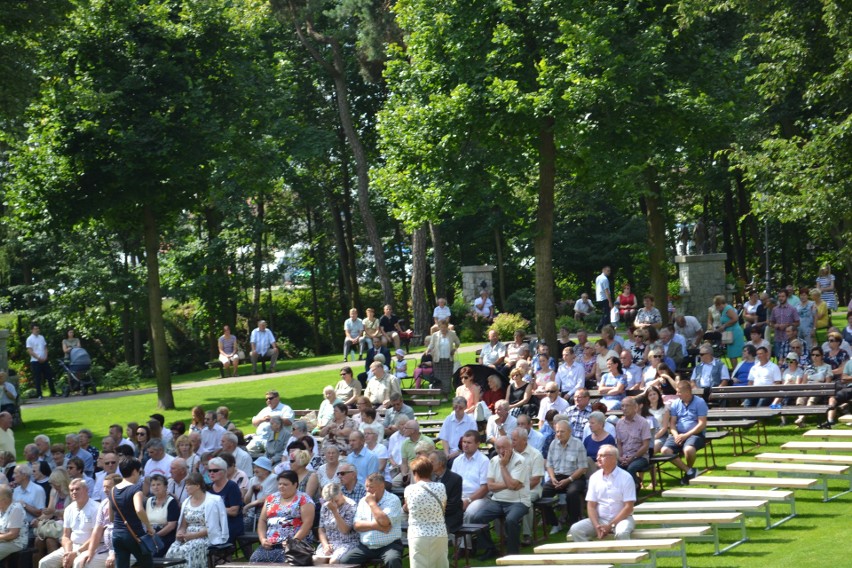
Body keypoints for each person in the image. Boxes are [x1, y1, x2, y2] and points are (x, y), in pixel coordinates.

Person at [466, 437, 529, 559]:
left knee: (511, 520)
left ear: (511, 447)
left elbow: (510, 485)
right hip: (498, 500)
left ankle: (513, 553)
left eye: (504, 447)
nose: (501, 451)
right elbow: (491, 486)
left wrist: (503, 467)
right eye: (498, 448)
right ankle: (490, 548)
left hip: (518, 501)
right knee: (478, 518)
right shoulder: (493, 460)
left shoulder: (520, 460)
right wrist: (510, 484)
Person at [568, 445, 636, 541]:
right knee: (576, 529)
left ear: (613, 458)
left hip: (623, 519)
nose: (597, 458)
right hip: (600, 519)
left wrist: (610, 525)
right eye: (598, 456)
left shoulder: (626, 477)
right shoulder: (594, 478)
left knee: (622, 532)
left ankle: (626, 556)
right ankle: (588, 556)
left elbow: (629, 507)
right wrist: (597, 526)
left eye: (602, 456)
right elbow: (591, 505)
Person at [340, 472, 404, 568]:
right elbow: (356, 525)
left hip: (389, 546)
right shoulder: (363, 501)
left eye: (371, 487)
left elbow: (384, 522)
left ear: (382, 486)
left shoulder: (392, 500)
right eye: (366, 487)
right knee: (345, 561)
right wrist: (379, 526)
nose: (367, 490)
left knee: (392, 560)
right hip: (366, 547)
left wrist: (372, 503)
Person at [166, 472, 229, 568]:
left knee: (186, 550)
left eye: (188, 484)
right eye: (185, 484)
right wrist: (180, 532)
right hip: (187, 536)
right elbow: (183, 525)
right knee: (172, 551)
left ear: (197, 486)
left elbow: (212, 528)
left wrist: (193, 535)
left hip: (205, 537)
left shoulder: (212, 501)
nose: (186, 487)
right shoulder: (186, 502)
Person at [38, 478, 99, 568]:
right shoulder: (68, 509)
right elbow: (66, 536)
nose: (74, 492)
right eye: (71, 490)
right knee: (44, 563)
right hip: (72, 547)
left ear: (86, 490)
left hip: (89, 547)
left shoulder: (96, 508)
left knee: (78, 563)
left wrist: (76, 553)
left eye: (77, 489)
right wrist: (68, 553)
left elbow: (96, 537)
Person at [542, 420, 587, 534]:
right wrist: (552, 478)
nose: (559, 434)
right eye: (557, 432)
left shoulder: (578, 444)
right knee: (543, 494)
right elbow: (549, 464)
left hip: (575, 477)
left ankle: (573, 525)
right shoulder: (553, 443)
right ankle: (555, 524)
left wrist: (569, 480)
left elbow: (582, 468)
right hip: (557, 477)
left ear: (570, 432)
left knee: (572, 493)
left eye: (562, 431)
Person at [111, 457, 157, 568]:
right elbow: (139, 509)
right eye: (139, 471)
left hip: (117, 534)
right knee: (147, 564)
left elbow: (111, 516)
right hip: (134, 534)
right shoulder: (136, 489)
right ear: (135, 471)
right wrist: (149, 527)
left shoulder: (113, 490)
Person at [403, 457, 448, 568]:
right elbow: (444, 506)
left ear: (415, 472)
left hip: (418, 534)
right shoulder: (441, 487)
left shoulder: (409, 489)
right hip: (439, 533)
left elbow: (407, 507)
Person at [661, 380, 708, 484]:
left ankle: (689, 472)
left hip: (695, 434)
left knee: (689, 450)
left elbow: (702, 424)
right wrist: (676, 435)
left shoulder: (700, 402)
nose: (677, 394)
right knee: (665, 450)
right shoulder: (675, 403)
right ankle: (690, 471)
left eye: (679, 392)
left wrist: (686, 435)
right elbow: (672, 423)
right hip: (678, 434)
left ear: (687, 392)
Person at [316, 482, 358, 563]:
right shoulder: (325, 506)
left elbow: (345, 530)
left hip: (347, 543)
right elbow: (321, 529)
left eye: (336, 501)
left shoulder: (351, 506)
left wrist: (335, 511)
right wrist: (325, 545)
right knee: (316, 560)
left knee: (334, 561)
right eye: (330, 501)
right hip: (330, 543)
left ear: (341, 493)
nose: (334, 504)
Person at [206, 457, 243, 543]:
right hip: (213, 524)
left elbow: (234, 511)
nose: (211, 473)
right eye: (210, 471)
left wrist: (215, 509)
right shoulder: (208, 488)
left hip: (230, 524)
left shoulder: (232, 486)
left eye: (215, 470)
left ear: (224, 471)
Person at [615, 397, 651, 483]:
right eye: (622, 406)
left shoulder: (643, 422)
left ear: (635, 407)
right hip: (624, 457)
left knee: (631, 468)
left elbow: (645, 445)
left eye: (627, 406)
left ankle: (634, 488)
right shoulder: (619, 423)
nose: (624, 408)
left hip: (640, 457)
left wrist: (632, 457)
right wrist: (620, 457)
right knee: (614, 467)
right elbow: (619, 444)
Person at [428, 451, 463, 536]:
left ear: (441, 463)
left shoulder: (455, 479)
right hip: (429, 516)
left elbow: (452, 505)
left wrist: (432, 513)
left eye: (431, 462)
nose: (428, 465)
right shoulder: (428, 477)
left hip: (449, 517)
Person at [144, 474, 179, 556]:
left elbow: (171, 526)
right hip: (150, 535)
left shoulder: (171, 502)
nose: (156, 487)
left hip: (165, 537)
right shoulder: (149, 500)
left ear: (166, 486)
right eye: (153, 485)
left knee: (150, 554)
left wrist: (155, 536)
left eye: (158, 484)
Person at [426, 320, 460, 399]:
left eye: (445, 327)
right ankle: (438, 393)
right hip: (438, 360)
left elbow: (458, 343)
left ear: (447, 327)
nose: (443, 329)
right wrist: (428, 350)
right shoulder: (435, 335)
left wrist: (454, 349)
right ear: (439, 327)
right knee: (438, 377)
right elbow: (431, 345)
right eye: (441, 327)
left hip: (448, 360)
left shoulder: (452, 334)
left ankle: (446, 395)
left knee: (447, 378)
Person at [27, 324, 57, 399]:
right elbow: (30, 351)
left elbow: (45, 347)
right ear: (32, 330)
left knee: (49, 376)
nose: (37, 330)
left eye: (38, 328)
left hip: (44, 360)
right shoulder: (29, 339)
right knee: (38, 378)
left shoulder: (41, 337)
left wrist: (46, 356)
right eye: (35, 328)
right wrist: (38, 358)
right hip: (35, 361)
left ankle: (53, 392)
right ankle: (39, 394)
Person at [769, 290, 800, 360]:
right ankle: (780, 369)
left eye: (783, 296)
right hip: (778, 338)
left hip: (789, 339)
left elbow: (797, 323)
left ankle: (788, 369)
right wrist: (776, 325)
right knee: (778, 357)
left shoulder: (792, 309)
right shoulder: (775, 309)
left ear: (786, 297)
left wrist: (788, 325)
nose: (781, 298)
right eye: (779, 296)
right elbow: (771, 322)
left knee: (789, 358)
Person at [0, 484, 27, 561]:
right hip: (3, 540)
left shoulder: (16, 509)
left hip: (15, 543)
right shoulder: (1, 508)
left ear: (4, 500)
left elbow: (13, 534)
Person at [594, 267, 613, 332]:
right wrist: (610, 302)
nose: (609, 272)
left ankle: (600, 327)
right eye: (608, 271)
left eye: (609, 271)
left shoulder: (598, 278)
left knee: (604, 314)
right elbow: (606, 290)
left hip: (599, 298)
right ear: (603, 270)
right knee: (606, 314)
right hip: (604, 298)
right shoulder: (605, 279)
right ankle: (602, 328)